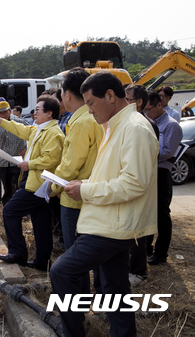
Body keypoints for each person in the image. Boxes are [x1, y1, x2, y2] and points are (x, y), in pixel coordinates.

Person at [50, 71, 158, 337]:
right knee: (115, 289)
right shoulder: (116, 126)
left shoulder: (134, 128)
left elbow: (134, 183)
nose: (89, 110)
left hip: (113, 226)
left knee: (62, 271)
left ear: (110, 96)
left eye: (90, 103)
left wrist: (85, 189)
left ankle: (73, 333)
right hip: (111, 221)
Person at [0, 95, 64, 271]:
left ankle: (18, 252)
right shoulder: (39, 129)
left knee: (10, 211)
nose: (34, 112)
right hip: (33, 181)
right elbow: (21, 130)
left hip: (37, 185)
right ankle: (42, 261)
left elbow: (51, 159)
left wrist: (28, 164)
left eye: (38, 109)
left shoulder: (53, 133)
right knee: (41, 223)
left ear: (49, 113)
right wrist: (0, 121)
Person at [51, 68, 103, 251]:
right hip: (93, 191)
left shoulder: (80, 122)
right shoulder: (96, 117)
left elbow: (71, 165)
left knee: (75, 255)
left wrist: (55, 186)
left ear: (67, 95)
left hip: (75, 197)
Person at [124, 84, 160, 286]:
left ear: (138, 102)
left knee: (138, 231)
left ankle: (139, 272)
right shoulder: (131, 122)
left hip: (141, 185)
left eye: (127, 99)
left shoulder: (144, 125)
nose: (124, 102)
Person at [144, 91, 183, 265]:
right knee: (148, 211)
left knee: (161, 214)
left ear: (159, 105)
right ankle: (147, 247)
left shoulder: (171, 125)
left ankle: (161, 253)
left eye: (148, 109)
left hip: (161, 172)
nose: (147, 113)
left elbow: (168, 151)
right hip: (149, 172)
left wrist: (147, 153)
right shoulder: (147, 123)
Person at [0, 101, 29, 205]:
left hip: (18, 161)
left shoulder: (21, 123)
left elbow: (33, 138)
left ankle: (21, 209)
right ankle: (7, 209)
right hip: (3, 162)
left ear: (10, 111)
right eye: (0, 113)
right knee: (6, 186)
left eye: (5, 112)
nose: (3, 115)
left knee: (18, 186)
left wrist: (27, 149)